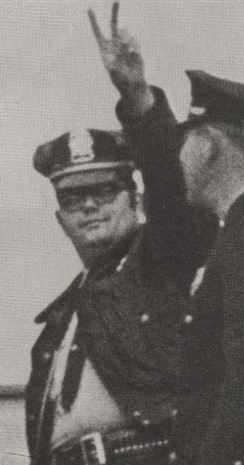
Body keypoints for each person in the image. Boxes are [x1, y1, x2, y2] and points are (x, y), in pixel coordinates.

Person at [25, 4, 219, 465]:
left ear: (135, 200)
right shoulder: (59, 318)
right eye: (74, 198)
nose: (89, 206)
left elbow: (169, 185)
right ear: (60, 218)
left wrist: (137, 99)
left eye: (104, 191)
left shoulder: (163, 257)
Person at [89, 3, 244, 463]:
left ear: (212, 144)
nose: (177, 153)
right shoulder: (226, 234)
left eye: (186, 139)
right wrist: (136, 96)